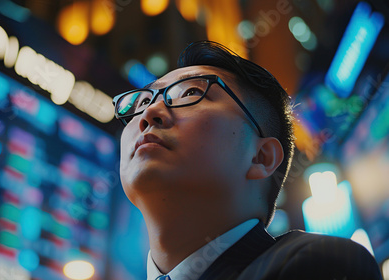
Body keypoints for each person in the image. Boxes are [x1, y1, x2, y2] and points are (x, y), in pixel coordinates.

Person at [112, 41, 382, 280]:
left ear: (261, 157)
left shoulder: (317, 265)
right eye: (141, 102)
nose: (150, 114)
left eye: (190, 93)